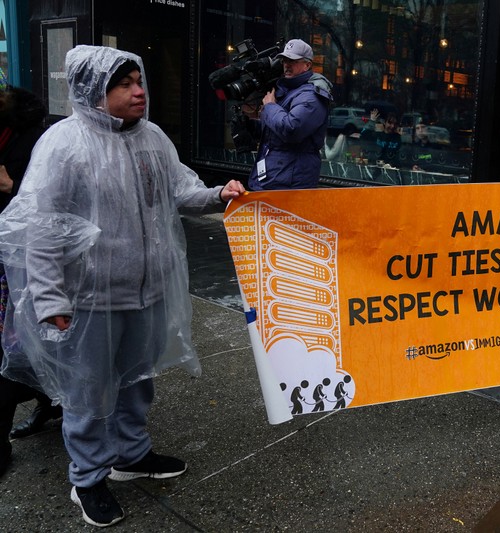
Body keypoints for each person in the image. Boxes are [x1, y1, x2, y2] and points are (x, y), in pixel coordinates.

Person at [0, 46, 244, 526]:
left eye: (140, 81)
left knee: (137, 383)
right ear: (95, 90)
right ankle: (87, 478)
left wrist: (218, 194)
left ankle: (131, 456)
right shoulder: (64, 145)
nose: (140, 92)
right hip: (89, 300)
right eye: (126, 84)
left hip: (147, 291)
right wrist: (50, 298)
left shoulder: (151, 138)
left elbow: (180, 190)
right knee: (88, 393)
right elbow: (42, 228)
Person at [0, 86, 62, 477]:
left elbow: (54, 200)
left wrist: (10, 185)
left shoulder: (37, 135)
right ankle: (49, 400)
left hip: (22, 259)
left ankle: (47, 402)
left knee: (20, 342)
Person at [248, 38, 333, 190]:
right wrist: (251, 126)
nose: (287, 65)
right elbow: (276, 133)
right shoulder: (288, 90)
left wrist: (270, 107)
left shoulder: (312, 95)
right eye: (285, 60)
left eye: (293, 61)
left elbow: (291, 129)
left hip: (289, 184)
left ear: (307, 65)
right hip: (275, 178)